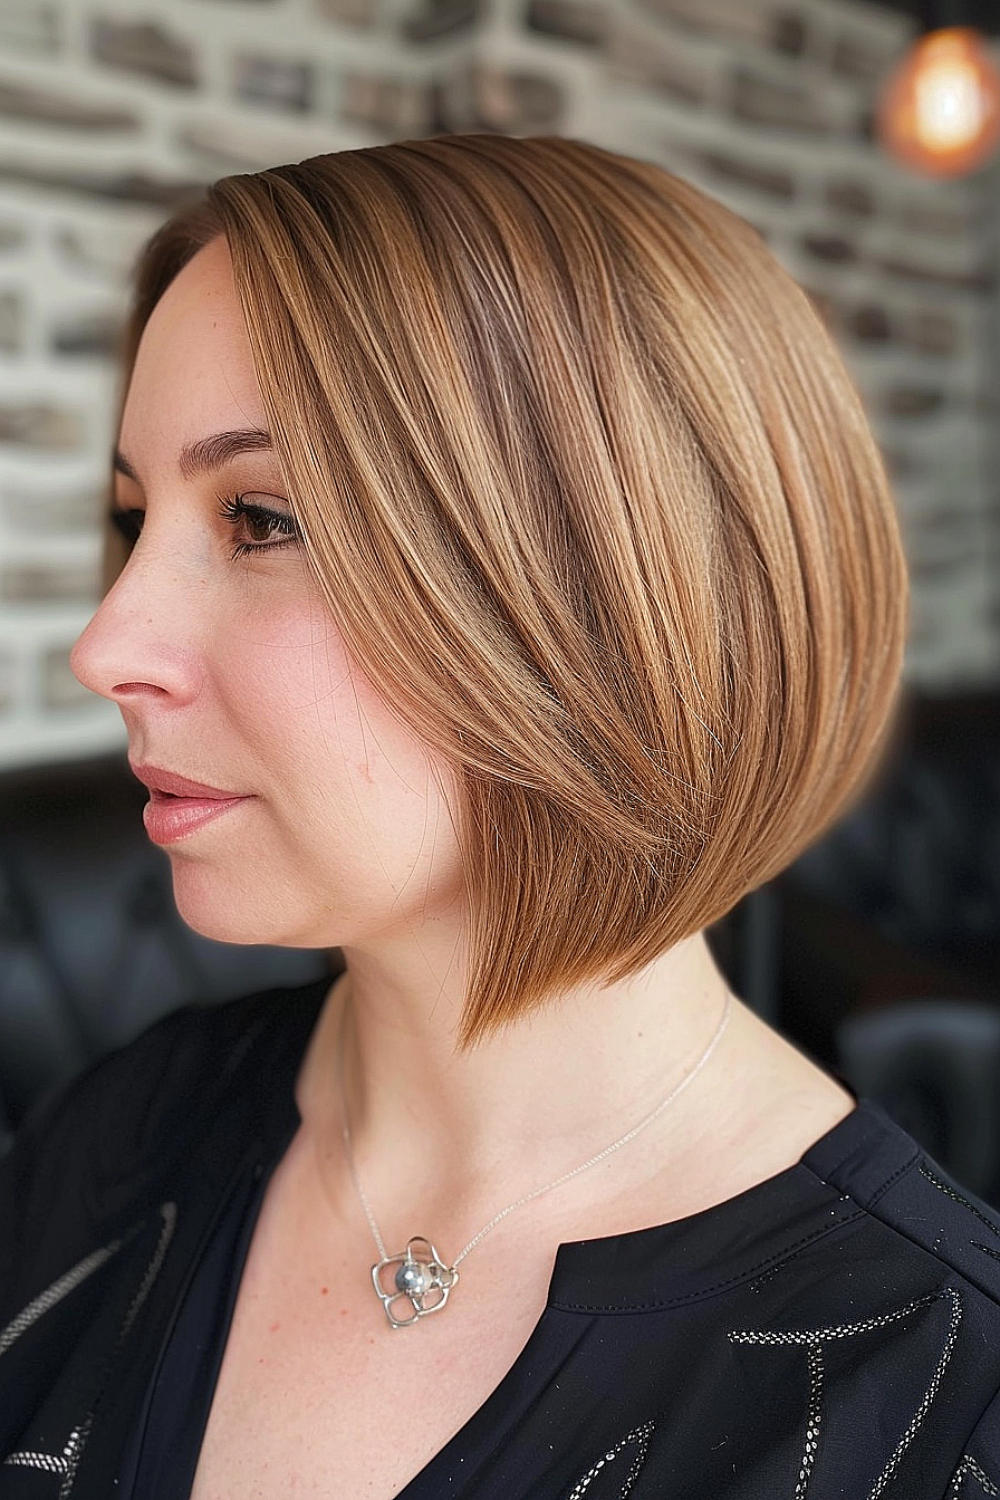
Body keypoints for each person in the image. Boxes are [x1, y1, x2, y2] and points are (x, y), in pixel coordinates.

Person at [1, 133, 997, 1500]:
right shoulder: (115, 1137)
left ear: (611, 595)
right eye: (134, 521)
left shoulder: (929, 1400)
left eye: (263, 518)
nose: (107, 645)